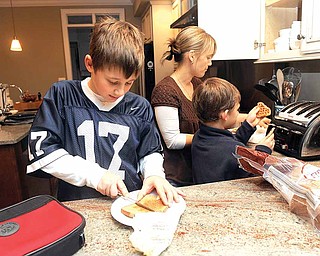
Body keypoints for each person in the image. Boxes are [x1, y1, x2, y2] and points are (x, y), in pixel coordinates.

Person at [26, 17, 182, 205]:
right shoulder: (63, 95)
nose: (120, 91)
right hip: (78, 205)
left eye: (129, 83)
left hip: (127, 201)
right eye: (113, 82)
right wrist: (95, 175)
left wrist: (154, 174)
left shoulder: (140, 107)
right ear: (90, 64)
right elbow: (44, 152)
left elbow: (149, 151)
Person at [151, 26, 217, 187]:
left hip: (196, 169)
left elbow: (214, 115)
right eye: (208, 57)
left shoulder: (197, 84)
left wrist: (247, 119)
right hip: (176, 177)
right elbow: (172, 140)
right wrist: (211, 137)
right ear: (192, 56)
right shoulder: (165, 90)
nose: (210, 62)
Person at [191, 77, 275, 184]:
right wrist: (262, 151)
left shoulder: (199, 136)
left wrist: (248, 125)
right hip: (224, 197)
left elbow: (228, 146)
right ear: (225, 115)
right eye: (237, 109)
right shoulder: (231, 149)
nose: (238, 113)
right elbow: (254, 176)